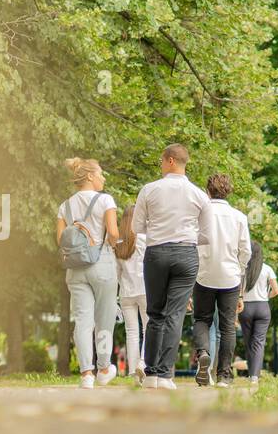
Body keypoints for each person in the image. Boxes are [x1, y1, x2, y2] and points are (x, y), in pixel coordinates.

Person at [132, 143, 211, 390]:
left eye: (160, 161)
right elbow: (207, 234)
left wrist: (160, 230)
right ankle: (166, 375)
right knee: (175, 315)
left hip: (156, 253)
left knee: (155, 313)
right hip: (186, 254)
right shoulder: (199, 195)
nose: (160, 165)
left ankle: (152, 375)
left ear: (169, 161)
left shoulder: (149, 189)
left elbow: (136, 227)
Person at [56, 157, 120, 389]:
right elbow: (112, 232)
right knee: (104, 319)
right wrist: (114, 242)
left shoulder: (65, 206)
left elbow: (60, 240)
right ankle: (104, 368)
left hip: (75, 269)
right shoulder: (106, 200)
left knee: (82, 320)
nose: (103, 177)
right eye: (101, 173)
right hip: (101, 263)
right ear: (90, 176)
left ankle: (86, 374)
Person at [192, 173, 251, 387]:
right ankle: (224, 376)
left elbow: (193, 245)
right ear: (229, 191)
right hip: (230, 278)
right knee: (227, 327)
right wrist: (238, 271)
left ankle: (203, 352)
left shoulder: (200, 215)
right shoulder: (239, 217)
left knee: (201, 319)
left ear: (208, 190)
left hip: (203, 275)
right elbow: (246, 252)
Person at [114, 206, 148, 382]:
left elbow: (117, 273)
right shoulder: (144, 239)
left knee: (132, 332)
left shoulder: (118, 243)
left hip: (126, 292)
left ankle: (135, 376)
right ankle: (143, 363)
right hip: (144, 289)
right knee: (149, 329)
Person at [240, 261, 278, 386]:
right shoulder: (267, 268)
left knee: (248, 342)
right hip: (262, 306)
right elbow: (276, 290)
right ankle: (255, 377)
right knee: (258, 342)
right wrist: (266, 296)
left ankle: (251, 374)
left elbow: (237, 289)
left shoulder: (243, 268)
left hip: (246, 307)